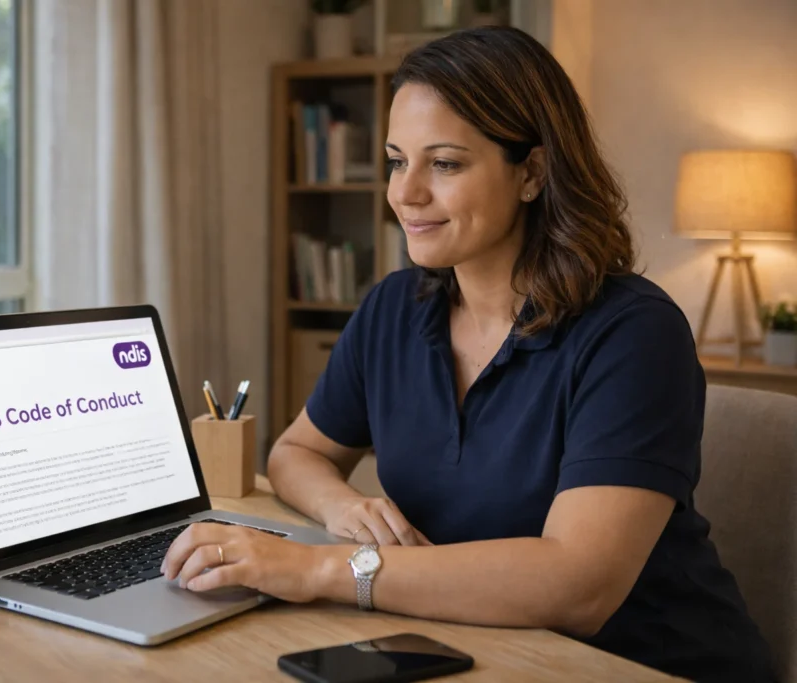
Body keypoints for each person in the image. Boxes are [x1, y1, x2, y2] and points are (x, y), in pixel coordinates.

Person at [161, 25, 777, 683]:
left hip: (641, 663)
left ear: (532, 173)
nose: (405, 192)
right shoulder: (393, 308)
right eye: (397, 160)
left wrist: (318, 568)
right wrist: (344, 507)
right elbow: (296, 454)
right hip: (465, 645)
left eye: (445, 164)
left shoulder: (633, 334)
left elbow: (580, 585)